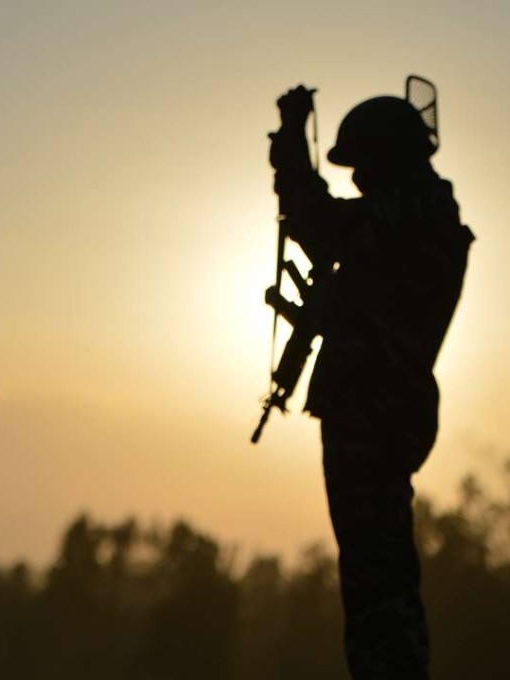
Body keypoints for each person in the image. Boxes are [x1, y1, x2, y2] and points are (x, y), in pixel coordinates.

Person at [269, 85, 473, 678]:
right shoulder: (422, 215)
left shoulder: (409, 218)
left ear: (389, 159)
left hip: (374, 412)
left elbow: (315, 220)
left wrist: (290, 137)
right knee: (378, 578)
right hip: (384, 409)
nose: (357, 180)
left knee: (377, 587)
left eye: (364, 166)